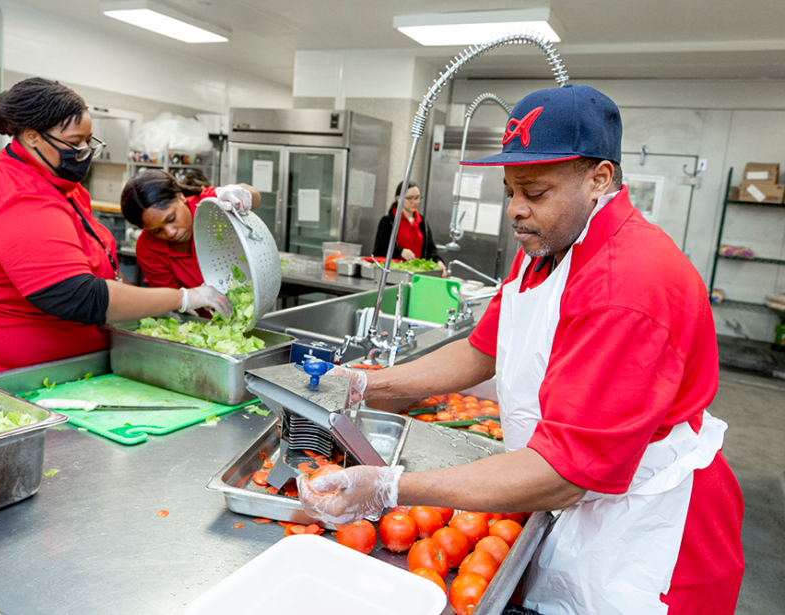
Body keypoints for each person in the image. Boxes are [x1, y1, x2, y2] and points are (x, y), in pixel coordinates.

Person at [299, 84, 744, 614]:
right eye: (510, 191)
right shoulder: (549, 249)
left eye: (534, 193)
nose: (516, 211)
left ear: (599, 179)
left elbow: (563, 474)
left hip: (649, 537)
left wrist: (391, 487)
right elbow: (480, 352)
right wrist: (366, 384)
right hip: (581, 499)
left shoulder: (627, 286)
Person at [0, 78, 232, 376]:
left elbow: (90, 259)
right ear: (31, 137)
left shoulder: (59, 184)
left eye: (88, 140)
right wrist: (182, 298)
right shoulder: (19, 196)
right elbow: (75, 295)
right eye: (74, 142)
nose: (84, 151)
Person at [120, 170, 260, 293]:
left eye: (171, 218)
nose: (170, 233)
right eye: (157, 231)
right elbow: (171, 299)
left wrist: (239, 195)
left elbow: (254, 195)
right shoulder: (148, 248)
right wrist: (189, 303)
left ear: (181, 197)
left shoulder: (207, 205)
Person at [372, 180, 447, 276]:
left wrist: (438, 261)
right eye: (410, 198)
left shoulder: (422, 222)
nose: (415, 202)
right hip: (394, 274)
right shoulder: (389, 222)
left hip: (417, 275)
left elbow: (430, 250)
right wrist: (400, 251)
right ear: (399, 199)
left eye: (417, 198)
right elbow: (379, 252)